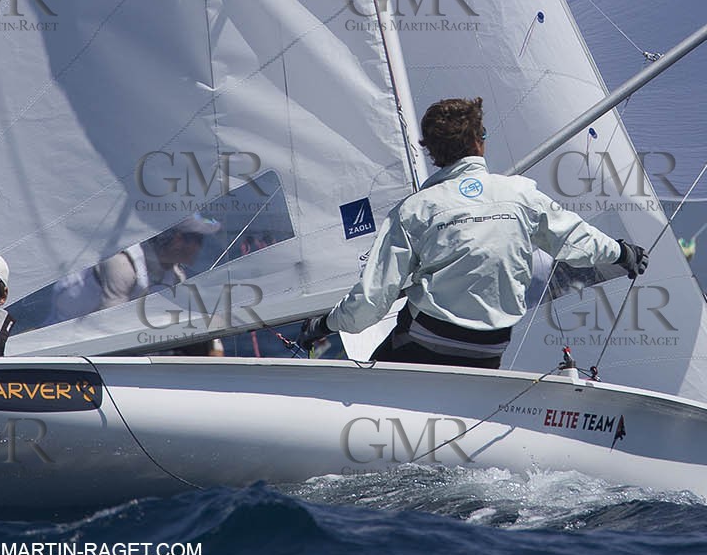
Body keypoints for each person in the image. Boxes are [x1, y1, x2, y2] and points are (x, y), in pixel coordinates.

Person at [298, 97, 649, 368]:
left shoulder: (415, 210)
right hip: (491, 347)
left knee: (378, 366)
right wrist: (623, 252)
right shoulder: (521, 194)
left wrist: (325, 325)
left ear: (431, 152)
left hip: (428, 343)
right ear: (480, 142)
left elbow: (372, 302)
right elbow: (578, 241)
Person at [94, 216, 216, 311]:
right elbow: (109, 324)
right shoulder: (122, 264)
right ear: (178, 240)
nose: (200, 247)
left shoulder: (176, 277)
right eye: (198, 240)